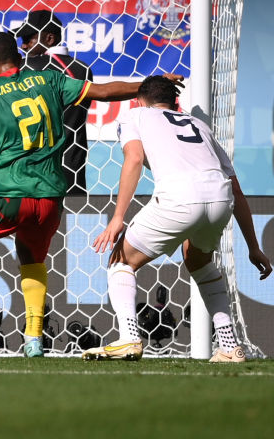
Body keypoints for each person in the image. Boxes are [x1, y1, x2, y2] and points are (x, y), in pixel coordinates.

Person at [0, 32, 157, 357]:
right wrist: (148, 87)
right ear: (19, 57)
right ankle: (33, 339)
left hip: (6, 193)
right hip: (50, 199)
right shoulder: (51, 80)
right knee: (32, 259)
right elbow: (104, 92)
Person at [82, 76, 272, 362]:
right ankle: (229, 346)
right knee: (198, 261)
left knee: (121, 261)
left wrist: (118, 217)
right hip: (220, 199)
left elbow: (133, 158)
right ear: (175, 103)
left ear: (138, 100)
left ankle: (129, 338)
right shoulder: (200, 125)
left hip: (180, 198)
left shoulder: (135, 115)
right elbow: (236, 189)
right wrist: (253, 247)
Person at [15, 10, 93, 196]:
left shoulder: (26, 68)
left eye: (28, 38)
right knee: (69, 224)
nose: (23, 45)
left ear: (49, 38)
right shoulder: (82, 69)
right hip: (71, 169)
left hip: (33, 173)